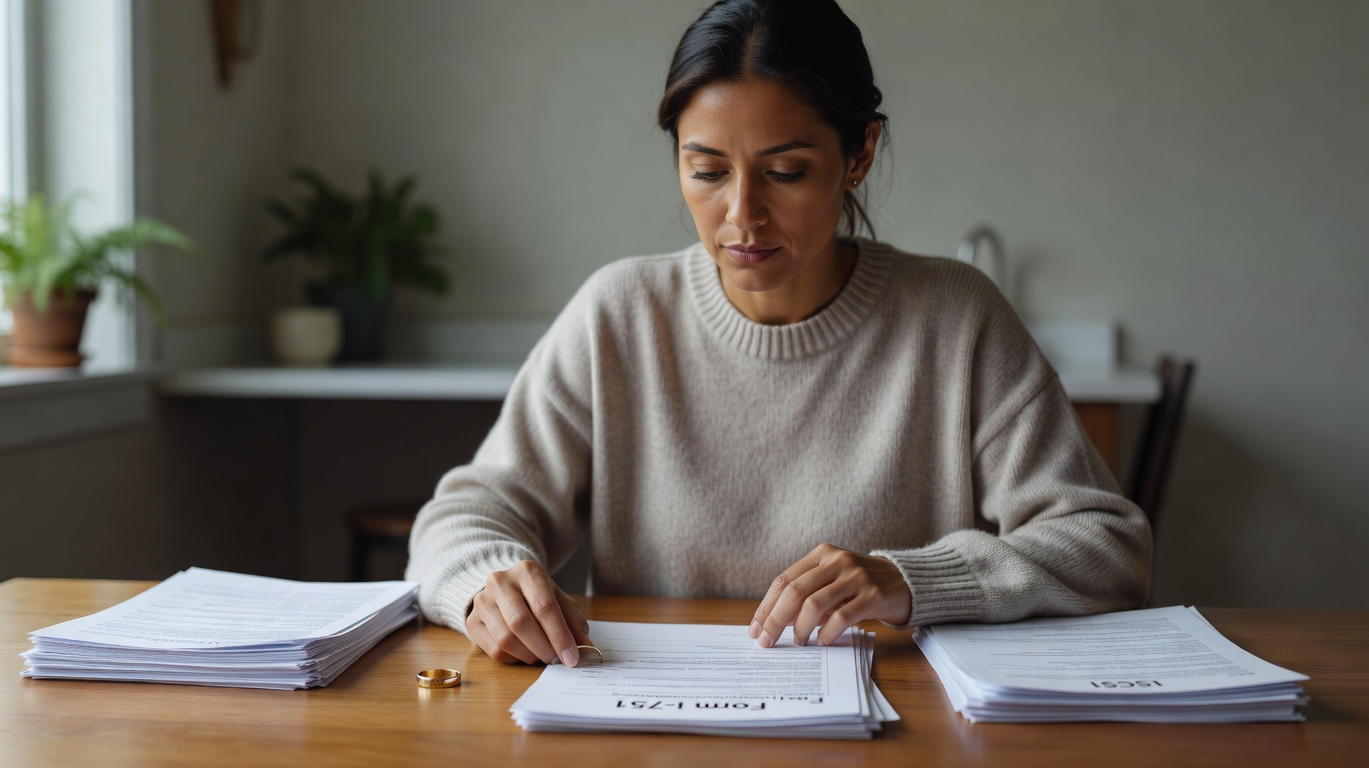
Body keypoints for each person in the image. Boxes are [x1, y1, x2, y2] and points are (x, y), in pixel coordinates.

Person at [406, 0, 1151, 668]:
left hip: (898, 732)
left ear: (858, 155)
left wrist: (911, 579)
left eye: (785, 172)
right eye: (706, 171)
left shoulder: (956, 317)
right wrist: (487, 586)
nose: (741, 216)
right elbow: (465, 517)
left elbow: (1105, 545)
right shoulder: (620, 313)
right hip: (649, 726)